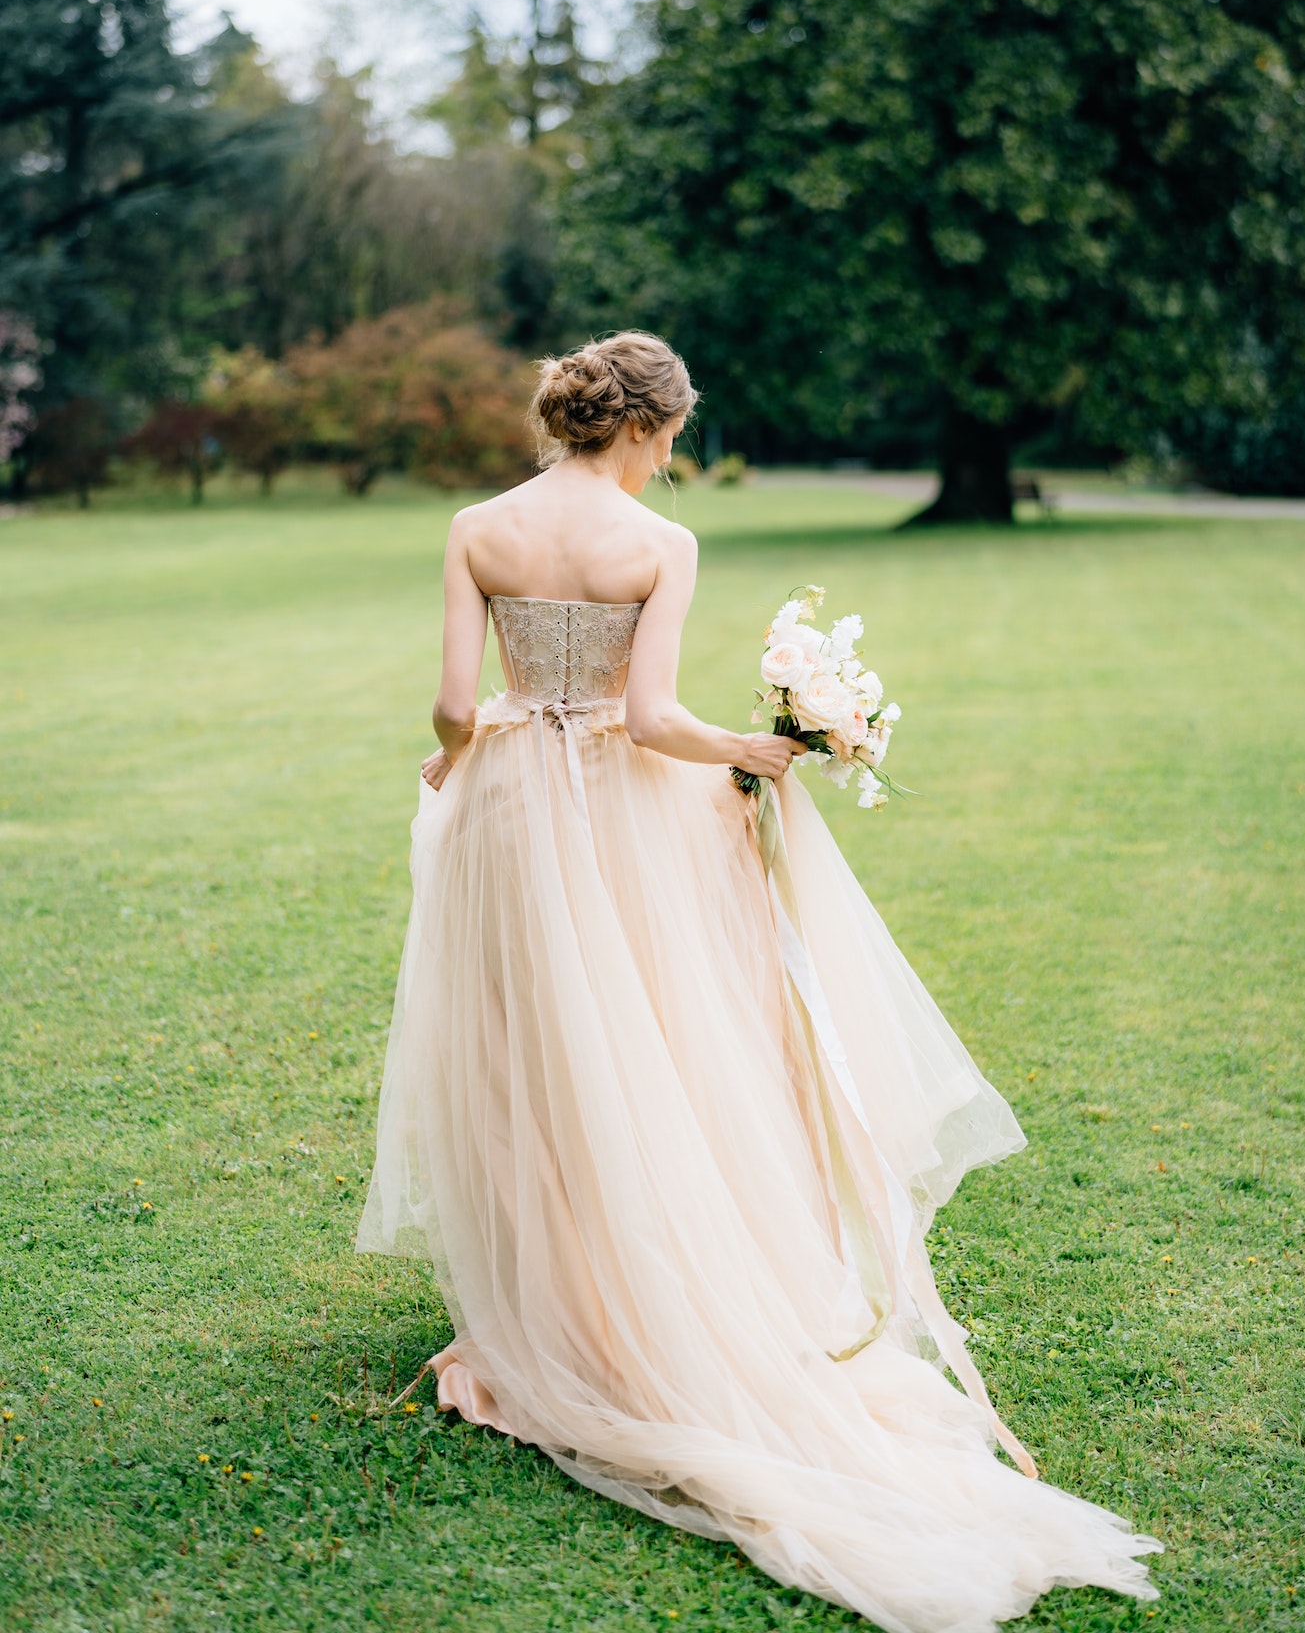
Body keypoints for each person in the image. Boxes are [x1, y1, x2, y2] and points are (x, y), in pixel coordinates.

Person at [357, 331, 1160, 1631]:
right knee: (641, 1040)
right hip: (619, 817)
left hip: (507, 811)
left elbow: (456, 704)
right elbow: (655, 718)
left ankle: (542, 1313)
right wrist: (753, 747)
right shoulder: (655, 545)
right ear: (641, 429)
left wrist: (464, 764)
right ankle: (627, 1301)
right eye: (670, 436)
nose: (670, 455)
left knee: (525, 1052)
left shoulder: (475, 525)